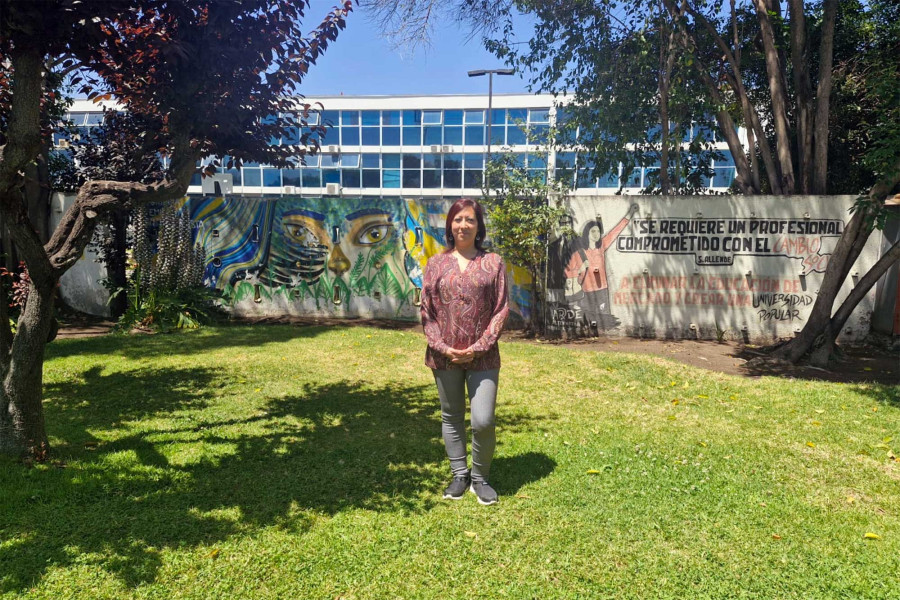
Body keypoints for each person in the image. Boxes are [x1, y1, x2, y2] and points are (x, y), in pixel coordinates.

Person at [420, 198, 509, 505]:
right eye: (457, 219)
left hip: (483, 356)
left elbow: (501, 310)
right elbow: (427, 312)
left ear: (478, 226)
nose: (463, 225)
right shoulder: (435, 264)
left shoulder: (493, 263)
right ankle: (460, 474)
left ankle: (480, 479)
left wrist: (477, 348)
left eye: (470, 219)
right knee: (452, 415)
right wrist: (443, 347)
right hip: (443, 357)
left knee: (483, 420)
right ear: (450, 225)